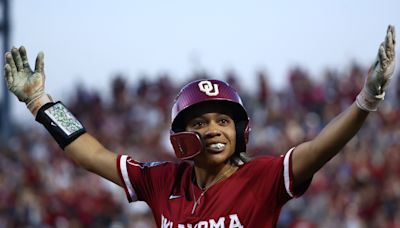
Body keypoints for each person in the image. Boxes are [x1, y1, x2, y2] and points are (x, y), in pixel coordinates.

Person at [3, 25, 396, 227]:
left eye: (224, 121)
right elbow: (92, 154)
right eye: (201, 121)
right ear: (181, 135)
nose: (214, 130)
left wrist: (365, 100)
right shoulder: (162, 180)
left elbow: (320, 147)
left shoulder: (263, 177)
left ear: (241, 132)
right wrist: (41, 103)